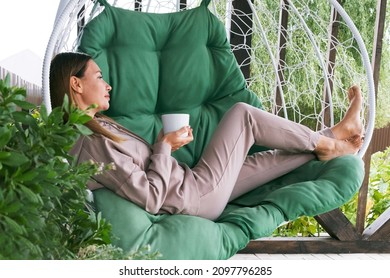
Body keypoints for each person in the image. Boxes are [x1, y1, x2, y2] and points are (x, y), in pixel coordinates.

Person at [50, 52, 363, 221]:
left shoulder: (99, 127)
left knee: (269, 159)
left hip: (194, 185)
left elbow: (144, 170)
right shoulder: (88, 143)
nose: (107, 85)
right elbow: (149, 196)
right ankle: (330, 141)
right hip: (194, 197)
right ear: (76, 85)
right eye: (99, 77)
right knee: (244, 115)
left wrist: (163, 144)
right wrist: (163, 147)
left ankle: (332, 138)